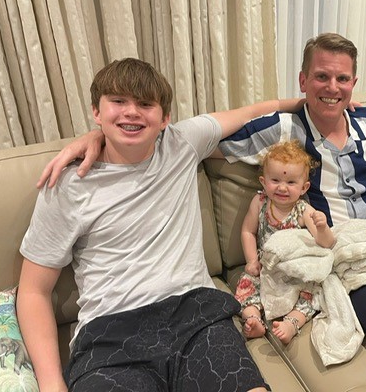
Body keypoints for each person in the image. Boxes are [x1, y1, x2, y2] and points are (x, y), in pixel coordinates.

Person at [38, 34, 366, 391]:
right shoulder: (277, 131)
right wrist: (96, 136)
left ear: (354, 82)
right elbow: (174, 138)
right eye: (321, 77)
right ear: (303, 80)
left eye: (343, 79)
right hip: (353, 265)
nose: (333, 88)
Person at [17, 58, 303, 392]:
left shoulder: (182, 142)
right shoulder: (67, 185)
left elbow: (251, 113)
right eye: (118, 101)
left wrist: (307, 102)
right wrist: (52, 384)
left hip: (196, 316)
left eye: (145, 104)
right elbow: (33, 291)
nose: (131, 112)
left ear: (165, 118)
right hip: (110, 337)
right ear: (96, 111)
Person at [235, 140, 334, 345]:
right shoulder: (260, 202)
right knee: (247, 285)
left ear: (304, 187)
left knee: (313, 291)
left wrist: (322, 227)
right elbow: (248, 231)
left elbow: (326, 243)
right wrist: (251, 260)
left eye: (290, 182)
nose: (282, 187)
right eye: (275, 180)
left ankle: (292, 322)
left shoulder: (303, 210)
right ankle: (253, 319)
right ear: (263, 182)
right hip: (266, 267)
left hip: (293, 271)